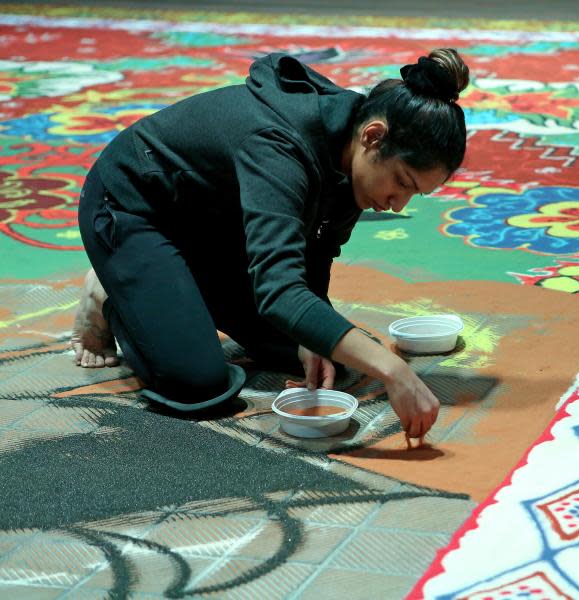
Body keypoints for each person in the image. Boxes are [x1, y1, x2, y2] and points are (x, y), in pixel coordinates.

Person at [69, 48, 470, 440]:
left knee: (336, 351)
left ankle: (174, 278)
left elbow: (316, 251)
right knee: (196, 384)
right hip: (133, 207)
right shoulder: (280, 146)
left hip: (215, 225)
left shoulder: (351, 155)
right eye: (402, 181)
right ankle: (111, 292)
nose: (398, 204)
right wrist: (395, 371)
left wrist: (312, 337)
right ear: (373, 136)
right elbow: (279, 291)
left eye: (414, 194)